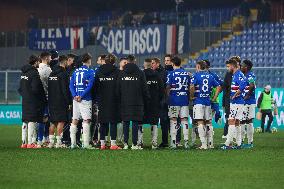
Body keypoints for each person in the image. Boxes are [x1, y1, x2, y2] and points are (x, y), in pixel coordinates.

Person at [117, 55, 150, 150]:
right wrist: (146, 99)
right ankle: (135, 144)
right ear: (134, 61)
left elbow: (117, 89)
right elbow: (144, 89)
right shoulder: (140, 73)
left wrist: (120, 100)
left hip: (124, 102)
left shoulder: (122, 73)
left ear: (127, 61)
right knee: (135, 123)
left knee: (126, 123)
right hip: (137, 102)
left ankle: (126, 144)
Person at [190, 61, 221, 150]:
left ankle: (203, 145)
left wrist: (192, 96)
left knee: (200, 122)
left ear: (199, 67)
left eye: (196, 66)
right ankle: (210, 144)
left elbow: (191, 86)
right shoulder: (210, 76)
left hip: (198, 101)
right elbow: (219, 86)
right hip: (207, 102)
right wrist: (214, 97)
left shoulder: (196, 75)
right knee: (208, 122)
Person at [18, 55, 46, 148]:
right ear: (36, 62)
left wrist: (25, 95)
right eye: (38, 62)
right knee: (32, 120)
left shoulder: (23, 73)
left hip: (25, 100)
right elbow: (36, 88)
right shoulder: (34, 73)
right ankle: (30, 143)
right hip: (33, 100)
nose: (39, 63)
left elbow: (20, 89)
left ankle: (24, 143)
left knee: (25, 120)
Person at [94, 54, 121, 150]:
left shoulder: (98, 71)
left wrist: (97, 99)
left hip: (102, 100)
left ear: (104, 61)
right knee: (113, 121)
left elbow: (95, 87)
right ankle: (113, 144)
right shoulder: (117, 72)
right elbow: (119, 87)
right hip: (114, 100)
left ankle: (102, 144)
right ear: (114, 62)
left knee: (103, 122)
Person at [69, 53, 95, 149]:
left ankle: (73, 144)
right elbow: (90, 86)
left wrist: (75, 95)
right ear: (88, 60)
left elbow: (71, 85)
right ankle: (86, 144)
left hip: (75, 99)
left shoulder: (75, 71)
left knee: (74, 120)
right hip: (85, 99)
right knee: (86, 120)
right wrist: (82, 96)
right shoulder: (90, 71)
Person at [139, 58, 164, 149]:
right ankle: (154, 143)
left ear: (144, 65)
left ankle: (139, 142)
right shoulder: (157, 75)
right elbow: (162, 90)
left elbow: (138, 89)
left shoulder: (141, 75)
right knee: (154, 123)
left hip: (143, 103)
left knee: (140, 122)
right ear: (151, 65)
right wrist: (159, 100)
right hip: (154, 103)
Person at [221, 59, 246, 150]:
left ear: (232, 66)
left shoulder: (238, 75)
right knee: (237, 122)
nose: (228, 68)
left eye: (228, 66)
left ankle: (228, 143)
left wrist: (235, 95)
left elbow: (243, 84)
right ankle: (239, 144)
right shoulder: (237, 74)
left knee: (231, 121)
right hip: (239, 103)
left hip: (236, 102)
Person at [166, 56, 190, 149]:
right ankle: (186, 142)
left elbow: (168, 86)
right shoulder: (186, 73)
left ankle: (173, 142)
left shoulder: (171, 74)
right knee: (184, 120)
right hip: (184, 100)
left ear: (172, 63)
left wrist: (167, 97)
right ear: (180, 63)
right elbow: (190, 86)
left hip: (174, 100)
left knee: (173, 120)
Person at [48, 55, 72, 148]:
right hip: (61, 101)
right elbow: (64, 89)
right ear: (65, 61)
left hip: (51, 100)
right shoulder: (64, 74)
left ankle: (50, 143)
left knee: (53, 122)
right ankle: (58, 143)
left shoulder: (51, 73)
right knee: (61, 121)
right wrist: (69, 102)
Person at [204, 60, 223, 148]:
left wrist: (215, 96)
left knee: (208, 121)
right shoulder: (206, 75)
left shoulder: (213, 75)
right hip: (204, 100)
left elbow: (221, 86)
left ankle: (209, 142)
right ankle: (207, 142)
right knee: (205, 121)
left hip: (211, 101)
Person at [152, 56, 169, 148]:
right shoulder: (151, 72)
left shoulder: (164, 73)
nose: (152, 65)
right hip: (154, 101)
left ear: (158, 64)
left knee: (164, 122)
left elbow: (167, 87)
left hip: (162, 101)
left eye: (153, 63)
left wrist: (164, 99)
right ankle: (153, 142)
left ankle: (165, 142)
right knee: (154, 122)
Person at [37, 51, 52, 147]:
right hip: (46, 97)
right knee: (45, 118)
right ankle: (41, 140)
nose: (51, 59)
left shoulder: (37, 69)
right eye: (50, 57)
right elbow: (50, 85)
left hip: (38, 98)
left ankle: (39, 140)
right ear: (46, 58)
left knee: (40, 119)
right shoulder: (48, 70)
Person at [240, 59, 256, 148]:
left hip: (249, 102)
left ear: (246, 67)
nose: (241, 67)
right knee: (243, 121)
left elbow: (252, 85)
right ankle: (243, 141)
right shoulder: (244, 75)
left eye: (242, 65)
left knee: (247, 121)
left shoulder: (250, 75)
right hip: (245, 102)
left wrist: (247, 96)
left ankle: (249, 142)